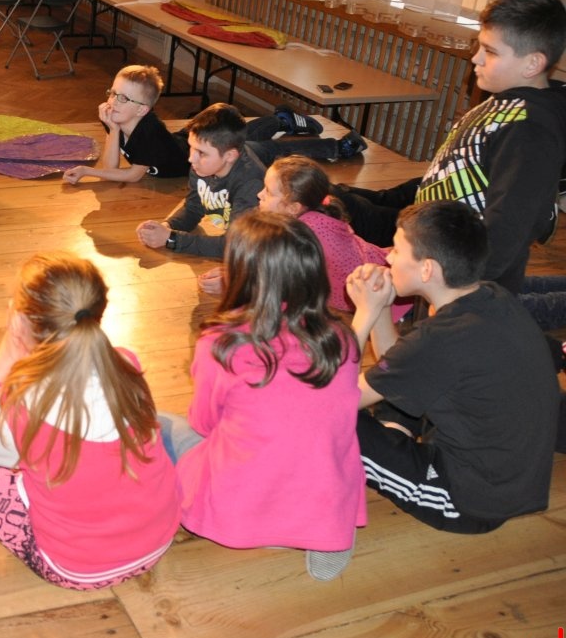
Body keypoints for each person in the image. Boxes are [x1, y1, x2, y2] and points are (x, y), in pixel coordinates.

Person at [0, 252, 180, 589]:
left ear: (20, 320)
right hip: (158, 539)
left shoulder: (21, 402)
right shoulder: (126, 364)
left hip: (76, 566)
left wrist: (7, 355)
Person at [161, 211, 365, 580]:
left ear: (241, 272)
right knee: (321, 448)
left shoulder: (221, 343)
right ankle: (328, 526)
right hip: (320, 492)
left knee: (160, 423)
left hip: (242, 503)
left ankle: (270, 519)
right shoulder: (342, 339)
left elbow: (204, 424)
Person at [331, 0, 566, 294]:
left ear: (532, 64)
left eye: (490, 51)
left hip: (460, 284)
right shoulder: (504, 103)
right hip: (432, 248)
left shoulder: (529, 130)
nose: (475, 58)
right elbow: (454, 174)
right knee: (339, 199)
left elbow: (507, 230)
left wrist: (455, 293)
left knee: (337, 208)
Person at [346, 200, 559, 533]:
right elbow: (401, 364)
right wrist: (382, 308)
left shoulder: (439, 338)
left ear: (427, 270)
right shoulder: (490, 297)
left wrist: (365, 314)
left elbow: (334, 401)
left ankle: (389, 447)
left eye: (397, 250)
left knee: (328, 421)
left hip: (467, 502)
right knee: (398, 382)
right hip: (507, 481)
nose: (387, 257)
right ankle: (395, 433)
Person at [63, 65, 365, 185]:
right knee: (239, 130)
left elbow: (129, 175)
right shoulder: (118, 118)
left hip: (208, 153)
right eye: (113, 93)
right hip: (188, 141)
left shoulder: (148, 133)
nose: (113, 102)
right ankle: (280, 119)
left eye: (123, 98)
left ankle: (338, 147)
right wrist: (113, 129)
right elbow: (113, 164)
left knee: (267, 149)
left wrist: (88, 171)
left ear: (143, 109)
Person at [200, 155, 413, 320]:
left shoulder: (305, 234)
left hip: (393, 300)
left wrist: (232, 283)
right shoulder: (308, 217)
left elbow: (277, 287)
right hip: (385, 275)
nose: (259, 194)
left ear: (293, 207)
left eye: (268, 192)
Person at [137, 102, 266, 257]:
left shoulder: (251, 184)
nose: (191, 158)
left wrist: (172, 239)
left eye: (201, 153)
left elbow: (234, 246)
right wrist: (167, 227)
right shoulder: (202, 165)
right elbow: (193, 208)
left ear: (229, 156)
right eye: (191, 146)